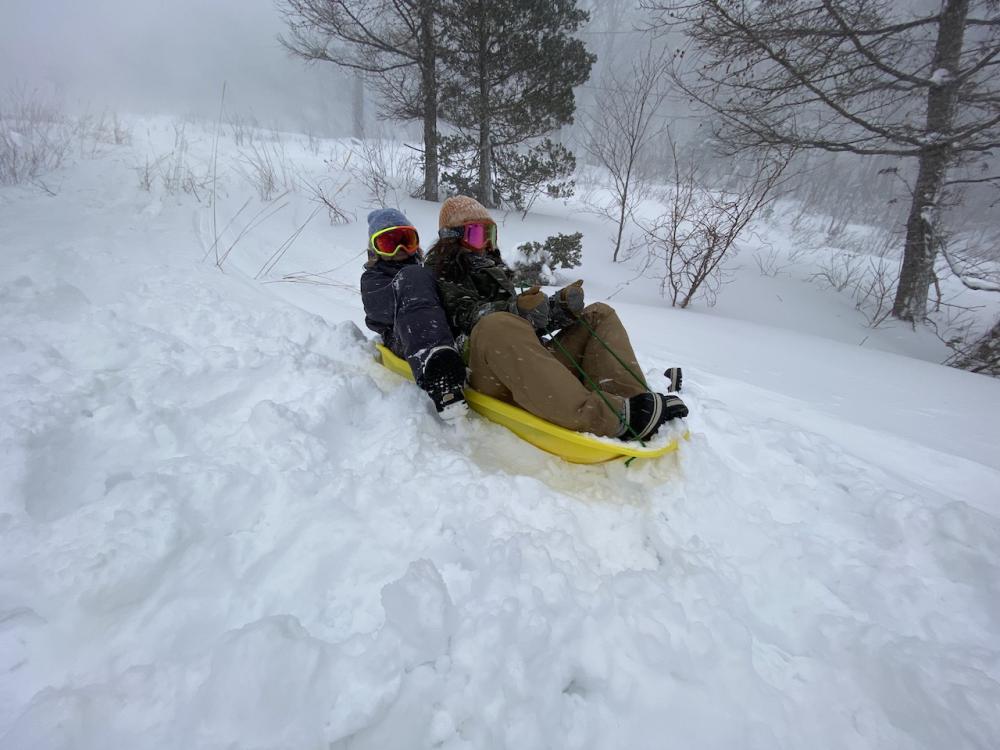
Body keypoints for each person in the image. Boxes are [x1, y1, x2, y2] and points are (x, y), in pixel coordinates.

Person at [424, 195, 688, 441]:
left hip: (515, 362)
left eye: (490, 234)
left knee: (599, 315)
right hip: (480, 370)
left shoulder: (492, 269)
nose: (487, 244)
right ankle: (606, 418)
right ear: (451, 237)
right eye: (477, 234)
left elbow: (521, 331)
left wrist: (557, 309)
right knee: (497, 324)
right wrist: (515, 310)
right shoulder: (437, 273)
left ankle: (632, 403)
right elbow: (464, 319)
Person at [360, 208, 468, 418]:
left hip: (440, 334)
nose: (399, 248)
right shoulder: (373, 279)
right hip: (404, 339)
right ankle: (436, 369)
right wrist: (409, 283)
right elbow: (379, 311)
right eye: (388, 243)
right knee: (412, 277)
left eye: (406, 240)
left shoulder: (424, 271)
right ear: (375, 249)